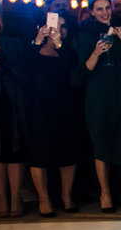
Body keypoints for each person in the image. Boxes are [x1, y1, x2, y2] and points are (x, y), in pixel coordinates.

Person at [74, 0, 121, 213]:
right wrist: (96, 52)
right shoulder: (84, 34)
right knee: (101, 142)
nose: (104, 12)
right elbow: (84, 69)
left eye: (107, 8)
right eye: (99, 9)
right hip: (98, 93)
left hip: (120, 89)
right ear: (91, 12)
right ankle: (105, 192)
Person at [26, 13, 81, 217]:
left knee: (67, 152)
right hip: (38, 107)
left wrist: (58, 43)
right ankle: (44, 199)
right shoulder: (34, 45)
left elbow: (70, 65)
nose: (59, 29)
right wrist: (38, 40)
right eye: (55, 25)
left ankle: (66, 197)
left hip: (64, 105)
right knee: (39, 154)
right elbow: (26, 66)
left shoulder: (68, 49)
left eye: (63, 26)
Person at [0, 7, 29, 217]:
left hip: (15, 105)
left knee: (16, 151)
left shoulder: (13, 44)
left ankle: (15, 198)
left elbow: (24, 72)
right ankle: (1, 199)